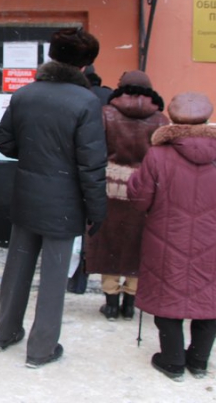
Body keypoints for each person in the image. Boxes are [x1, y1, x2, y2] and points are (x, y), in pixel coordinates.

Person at [0, 27, 107, 368]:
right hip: (65, 202)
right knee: (54, 278)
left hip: (27, 195)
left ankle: (5, 333)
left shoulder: (25, 94)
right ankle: (41, 349)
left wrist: (34, 155)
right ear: (84, 65)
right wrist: (97, 209)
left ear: (52, 56)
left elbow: (4, 141)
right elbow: (91, 163)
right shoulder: (86, 101)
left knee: (17, 269)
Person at [128, 92, 216, 381]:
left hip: (166, 236)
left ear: (173, 118)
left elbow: (140, 199)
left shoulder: (158, 155)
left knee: (167, 294)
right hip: (211, 238)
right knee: (207, 295)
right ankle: (198, 361)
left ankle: (172, 361)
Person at [84, 70, 169, 320]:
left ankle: (111, 303)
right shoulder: (161, 120)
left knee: (108, 241)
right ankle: (130, 303)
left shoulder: (106, 114)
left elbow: (95, 149)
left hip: (109, 185)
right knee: (138, 243)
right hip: (146, 188)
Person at [67, 64, 113, 295]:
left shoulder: (74, 97)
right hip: (102, 167)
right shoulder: (108, 97)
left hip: (74, 169)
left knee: (76, 232)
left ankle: (76, 281)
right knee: (91, 227)